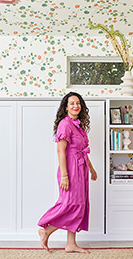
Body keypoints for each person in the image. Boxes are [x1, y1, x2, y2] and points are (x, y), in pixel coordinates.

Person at [38, 92, 97, 253]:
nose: (75, 106)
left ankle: (71, 243)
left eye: (78, 103)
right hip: (70, 169)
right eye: (71, 103)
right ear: (66, 107)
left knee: (79, 205)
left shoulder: (78, 124)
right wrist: (64, 175)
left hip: (81, 168)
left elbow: (82, 150)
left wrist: (91, 169)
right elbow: (60, 151)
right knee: (70, 204)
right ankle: (46, 230)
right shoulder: (65, 124)